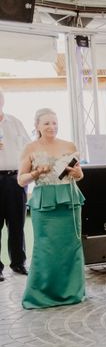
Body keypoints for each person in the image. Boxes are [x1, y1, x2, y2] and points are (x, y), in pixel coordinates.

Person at [17, 108, 85, 309]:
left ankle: (72, 292)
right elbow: (21, 180)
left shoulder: (69, 145)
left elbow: (79, 175)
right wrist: (36, 173)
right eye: (46, 123)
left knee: (71, 247)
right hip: (44, 202)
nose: (51, 127)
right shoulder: (30, 148)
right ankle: (41, 294)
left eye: (54, 123)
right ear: (37, 126)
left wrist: (77, 172)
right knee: (44, 248)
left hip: (69, 200)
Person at [0, 89, 30, 282]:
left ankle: (18, 263)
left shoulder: (15, 122)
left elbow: (28, 147)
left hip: (15, 179)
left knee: (17, 223)